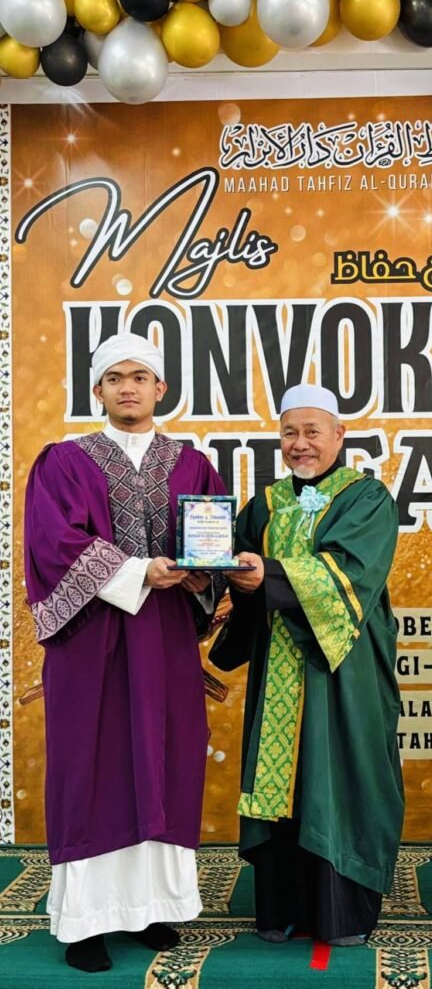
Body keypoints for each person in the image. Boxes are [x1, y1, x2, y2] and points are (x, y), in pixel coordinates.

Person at [24, 333, 227, 972]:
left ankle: (150, 908)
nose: (129, 387)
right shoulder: (63, 461)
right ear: (98, 391)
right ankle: (85, 923)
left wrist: (203, 574)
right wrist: (139, 571)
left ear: (160, 388)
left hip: (165, 639)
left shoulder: (192, 465)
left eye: (140, 377)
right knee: (91, 765)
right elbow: (53, 544)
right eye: (115, 378)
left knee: (167, 758)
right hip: (93, 643)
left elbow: (210, 547)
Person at [210, 383, 404, 947]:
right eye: (290, 433)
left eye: (313, 432)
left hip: (345, 670)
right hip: (278, 667)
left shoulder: (367, 498)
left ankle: (343, 911)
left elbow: (351, 572)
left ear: (339, 436)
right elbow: (230, 569)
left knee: (342, 773)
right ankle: (282, 906)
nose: (301, 444)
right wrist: (218, 578)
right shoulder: (264, 505)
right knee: (286, 784)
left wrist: (266, 575)